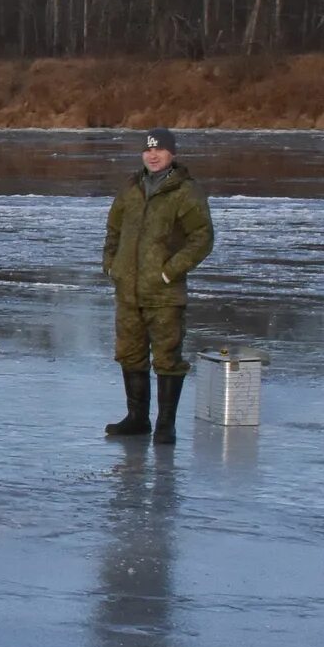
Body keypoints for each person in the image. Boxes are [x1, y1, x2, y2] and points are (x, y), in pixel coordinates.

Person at [101, 126, 215, 445]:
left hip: (164, 293)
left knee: (167, 358)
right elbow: (113, 229)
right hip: (128, 290)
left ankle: (166, 425)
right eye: (148, 150)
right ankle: (137, 419)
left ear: (172, 153)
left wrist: (170, 271)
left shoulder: (186, 191)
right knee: (129, 353)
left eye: (159, 150)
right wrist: (112, 265)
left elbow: (202, 238)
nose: (152, 155)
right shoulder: (131, 188)